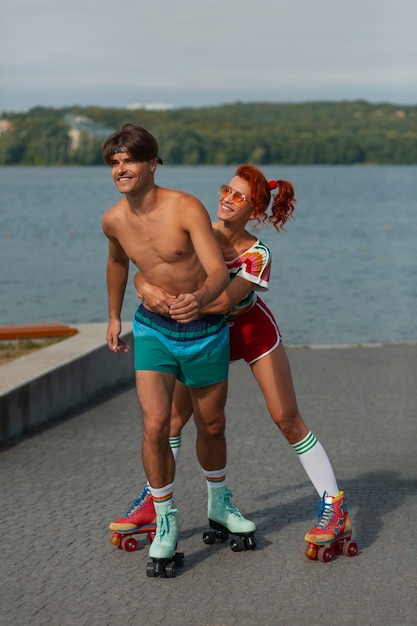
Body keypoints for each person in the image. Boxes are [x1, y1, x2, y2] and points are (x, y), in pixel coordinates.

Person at [110, 163, 353, 558]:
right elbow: (149, 263)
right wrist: (142, 284)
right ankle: (154, 503)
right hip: (204, 334)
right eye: (227, 189)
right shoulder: (197, 226)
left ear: (254, 211)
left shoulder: (258, 254)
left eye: (239, 196)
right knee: (170, 421)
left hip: (247, 330)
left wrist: (164, 297)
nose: (227, 198)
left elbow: (222, 301)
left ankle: (333, 505)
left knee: (286, 418)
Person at [102, 125, 255, 571]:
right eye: (114, 162)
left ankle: (220, 502)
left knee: (212, 426)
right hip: (152, 331)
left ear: (152, 163)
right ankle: (165, 518)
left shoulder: (185, 206)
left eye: (129, 160)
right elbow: (116, 261)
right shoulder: (113, 219)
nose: (121, 169)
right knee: (155, 426)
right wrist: (114, 314)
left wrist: (199, 299)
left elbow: (216, 272)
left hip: (204, 331)